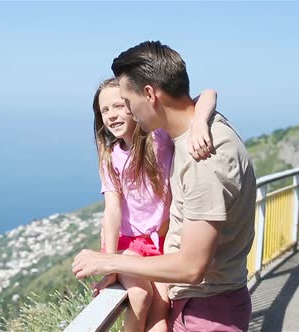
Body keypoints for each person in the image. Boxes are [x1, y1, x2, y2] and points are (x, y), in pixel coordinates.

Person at [73, 41, 257, 332]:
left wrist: (108, 262)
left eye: (127, 101)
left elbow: (191, 267)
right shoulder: (199, 132)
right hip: (203, 304)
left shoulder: (202, 157)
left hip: (206, 313)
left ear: (149, 94)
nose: (127, 111)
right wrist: (199, 120)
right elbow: (206, 97)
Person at [91, 77, 216, 331]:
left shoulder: (159, 137)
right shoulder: (110, 157)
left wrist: (200, 122)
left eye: (119, 106)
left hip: (162, 241)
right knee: (140, 296)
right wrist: (110, 262)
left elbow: (208, 94)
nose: (111, 115)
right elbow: (112, 211)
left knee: (161, 310)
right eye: (105, 110)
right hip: (129, 246)